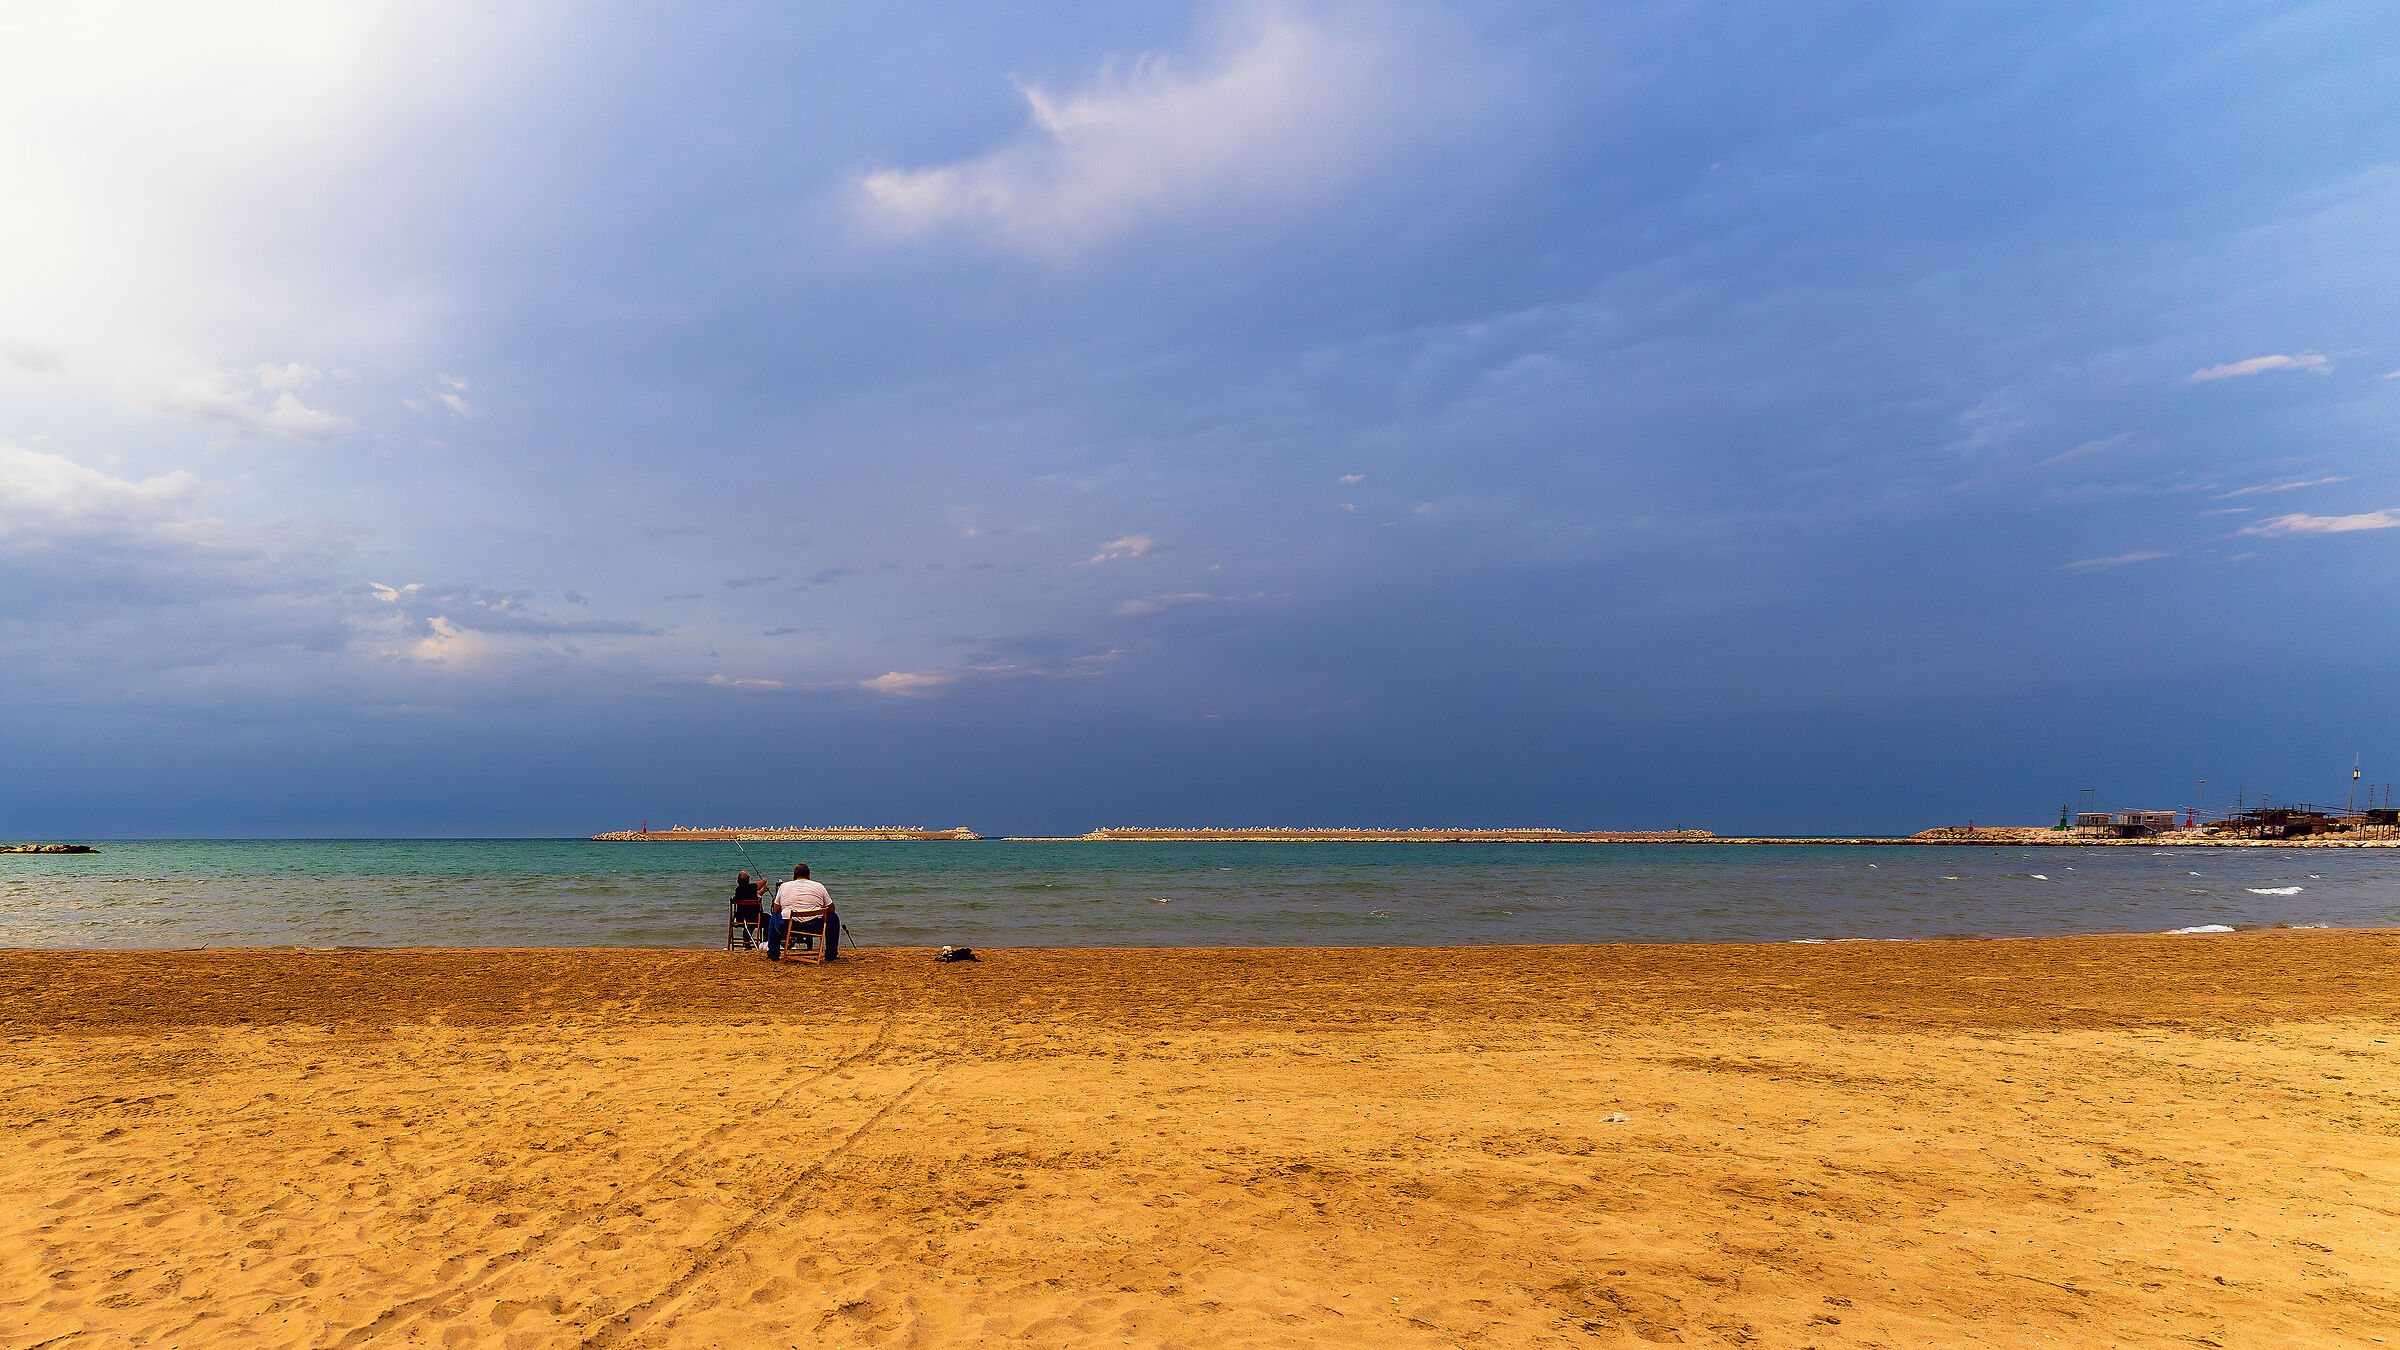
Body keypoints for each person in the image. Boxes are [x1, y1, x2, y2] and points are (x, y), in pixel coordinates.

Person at [768, 862, 839, 961]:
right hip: (814, 927)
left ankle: (773, 953)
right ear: (809, 876)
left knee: (773, 917)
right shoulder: (819, 886)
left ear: (793, 877)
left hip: (789, 926)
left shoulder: (784, 886)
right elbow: (831, 909)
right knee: (833, 918)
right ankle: (831, 954)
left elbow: (776, 910)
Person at [728, 870, 764, 948]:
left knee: (748, 924)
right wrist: (764, 881)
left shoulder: (738, 890)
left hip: (740, 918)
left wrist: (763, 891)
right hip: (754, 918)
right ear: (748, 880)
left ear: (738, 881)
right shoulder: (752, 887)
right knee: (769, 920)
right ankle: (765, 942)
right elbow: (763, 882)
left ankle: (746, 943)